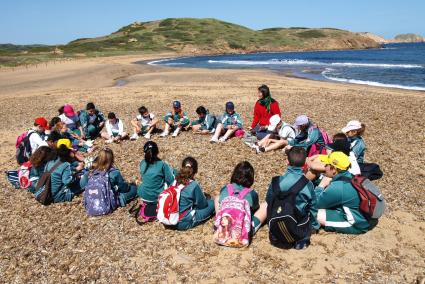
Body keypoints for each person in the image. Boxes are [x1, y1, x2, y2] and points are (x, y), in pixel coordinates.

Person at [253, 147, 319, 249]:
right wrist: (314, 226)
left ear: (287, 161)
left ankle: (277, 236)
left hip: (277, 222)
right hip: (299, 225)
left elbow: (269, 200)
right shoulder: (307, 184)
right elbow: (313, 207)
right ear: (305, 163)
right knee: (305, 214)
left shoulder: (276, 181)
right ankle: (301, 240)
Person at [315, 151, 370, 234]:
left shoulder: (338, 187)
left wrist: (321, 185)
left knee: (312, 212)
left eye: (327, 165)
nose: (324, 167)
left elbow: (315, 204)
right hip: (362, 216)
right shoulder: (350, 176)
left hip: (355, 224)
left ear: (334, 169)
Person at [214, 161, 261, 232]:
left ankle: (218, 221)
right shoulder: (252, 193)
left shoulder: (225, 188)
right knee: (265, 206)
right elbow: (255, 208)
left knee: (217, 197)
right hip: (241, 230)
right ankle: (250, 228)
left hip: (224, 225)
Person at [174, 157, 215, 230]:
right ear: (195, 171)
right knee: (212, 203)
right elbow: (202, 205)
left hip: (169, 218)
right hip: (182, 222)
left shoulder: (175, 181)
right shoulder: (193, 185)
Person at [42, 139, 83, 203]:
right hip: (59, 196)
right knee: (85, 178)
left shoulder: (50, 162)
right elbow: (67, 181)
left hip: (46, 192)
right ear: (68, 152)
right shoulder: (65, 164)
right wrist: (76, 176)